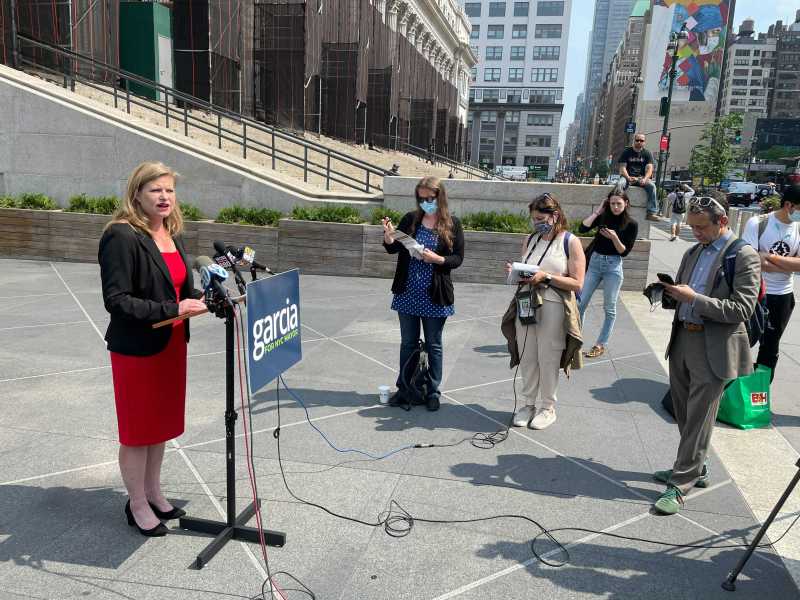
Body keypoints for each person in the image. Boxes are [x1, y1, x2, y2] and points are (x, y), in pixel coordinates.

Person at [99, 162, 206, 536]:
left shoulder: (172, 233)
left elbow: (179, 289)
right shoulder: (121, 236)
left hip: (172, 343)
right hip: (137, 350)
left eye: (169, 191)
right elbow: (117, 300)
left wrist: (201, 299)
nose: (164, 197)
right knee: (138, 430)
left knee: (159, 427)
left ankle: (154, 492)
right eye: (155, 190)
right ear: (137, 194)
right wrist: (173, 309)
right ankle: (137, 503)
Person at [654, 195, 760, 514]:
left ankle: (680, 483)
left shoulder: (743, 255)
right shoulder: (692, 251)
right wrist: (668, 294)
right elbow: (684, 292)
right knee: (684, 412)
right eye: (692, 226)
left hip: (714, 347)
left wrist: (695, 298)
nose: (695, 233)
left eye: (701, 227)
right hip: (683, 338)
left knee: (700, 417)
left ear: (722, 221)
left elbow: (743, 308)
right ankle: (695, 467)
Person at [502, 193, 585, 430]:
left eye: (540, 218)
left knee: (548, 358)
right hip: (527, 302)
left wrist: (546, 276)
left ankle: (548, 407)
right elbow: (527, 268)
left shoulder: (570, 241)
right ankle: (528, 404)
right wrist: (516, 272)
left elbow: (578, 284)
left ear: (554, 216)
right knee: (527, 356)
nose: (536, 222)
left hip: (554, 306)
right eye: (533, 218)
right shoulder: (530, 239)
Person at [382, 176, 464, 411]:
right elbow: (393, 248)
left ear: (440, 197)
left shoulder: (452, 224)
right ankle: (406, 388)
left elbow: (458, 258)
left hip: (435, 295)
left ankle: (432, 391)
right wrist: (388, 236)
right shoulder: (410, 219)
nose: (426, 202)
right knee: (407, 343)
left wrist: (437, 259)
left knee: (433, 344)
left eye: (430, 198)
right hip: (407, 292)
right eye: (421, 198)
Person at [742, 184, 800, 382]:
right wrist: (790, 265)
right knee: (741, 341)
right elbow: (753, 260)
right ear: (789, 205)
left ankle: (759, 391)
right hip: (754, 293)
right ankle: (731, 391)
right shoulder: (758, 223)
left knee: (770, 347)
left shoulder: (799, 228)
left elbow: (765, 260)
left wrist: (769, 258)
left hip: (783, 296)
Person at [578, 190, 639, 358]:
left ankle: (600, 344)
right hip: (595, 263)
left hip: (613, 267)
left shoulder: (631, 224)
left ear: (626, 203)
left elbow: (624, 252)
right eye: (612, 203)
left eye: (619, 203)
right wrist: (598, 211)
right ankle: (575, 340)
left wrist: (614, 238)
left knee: (609, 308)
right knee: (580, 303)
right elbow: (582, 228)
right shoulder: (604, 217)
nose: (616, 207)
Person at [617, 133, 658, 221]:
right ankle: (619, 210)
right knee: (620, 184)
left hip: (641, 178)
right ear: (634, 141)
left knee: (652, 186)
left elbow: (650, 169)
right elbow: (622, 168)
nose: (639, 142)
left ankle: (651, 212)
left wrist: (645, 179)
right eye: (637, 140)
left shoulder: (647, 153)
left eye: (641, 140)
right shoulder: (626, 152)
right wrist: (628, 177)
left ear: (644, 142)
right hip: (627, 177)